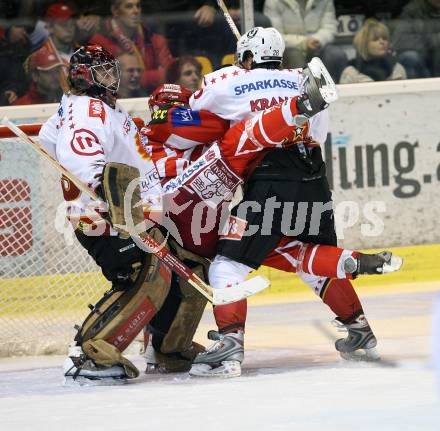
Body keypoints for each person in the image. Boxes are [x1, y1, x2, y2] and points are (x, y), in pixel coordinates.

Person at [187, 26, 402, 377]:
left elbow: (194, 111)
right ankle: (360, 334)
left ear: (245, 58)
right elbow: (319, 130)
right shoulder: (301, 77)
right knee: (313, 263)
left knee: (228, 264)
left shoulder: (227, 82)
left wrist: (223, 79)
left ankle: (228, 347)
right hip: (314, 176)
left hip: (271, 180)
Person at [37, 44, 209, 384]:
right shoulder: (87, 109)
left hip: (136, 214)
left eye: (110, 68)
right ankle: (88, 354)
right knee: (139, 275)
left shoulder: (100, 108)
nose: (111, 76)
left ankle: (168, 349)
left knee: (185, 270)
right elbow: (81, 162)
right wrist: (109, 196)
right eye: (103, 70)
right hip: (106, 217)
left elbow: (48, 136)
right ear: (85, 76)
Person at [89, 0, 175, 93]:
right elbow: (102, 79)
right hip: (115, 100)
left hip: (151, 97)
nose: (136, 11)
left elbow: (170, 75)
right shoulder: (98, 41)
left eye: (138, 6)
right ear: (115, 11)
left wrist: (128, 76)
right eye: (129, 6)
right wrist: (155, 75)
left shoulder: (156, 40)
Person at [263, 0, 348, 83]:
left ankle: (333, 90)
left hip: (316, 45)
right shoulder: (273, 2)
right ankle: (303, 92)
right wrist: (304, 42)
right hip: (289, 47)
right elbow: (273, 35)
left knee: (336, 54)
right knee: (294, 56)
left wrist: (317, 40)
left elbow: (330, 27)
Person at [339, 18, 406, 84]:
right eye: (375, 39)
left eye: (384, 38)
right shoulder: (351, 73)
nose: (382, 42)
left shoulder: (397, 69)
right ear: (364, 44)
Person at [392, 0, 440, 78]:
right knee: (410, 57)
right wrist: (434, 39)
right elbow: (400, 42)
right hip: (423, 62)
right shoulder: (413, 11)